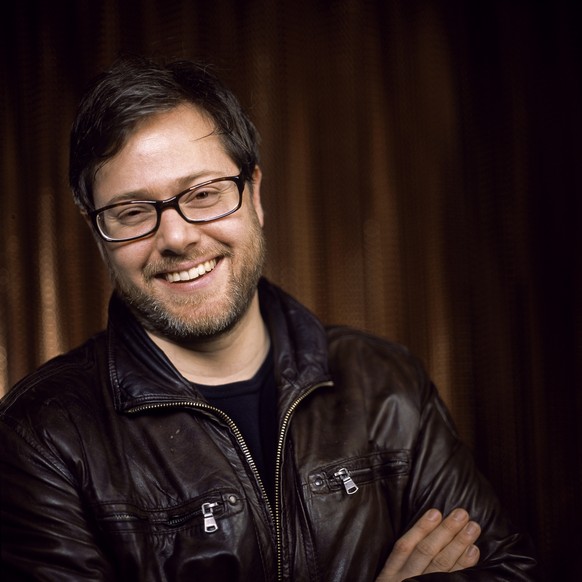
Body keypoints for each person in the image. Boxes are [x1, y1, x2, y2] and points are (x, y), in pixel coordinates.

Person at [0, 55, 536, 581]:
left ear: (255, 194)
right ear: (98, 233)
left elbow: (507, 571)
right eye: (133, 212)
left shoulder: (386, 385)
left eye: (204, 194)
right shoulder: (42, 437)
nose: (178, 237)